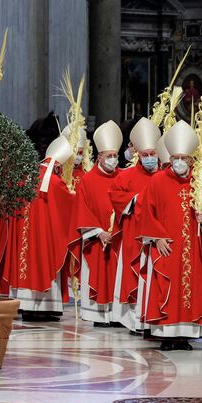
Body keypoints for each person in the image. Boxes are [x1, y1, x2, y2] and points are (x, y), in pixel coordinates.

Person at [136, 121, 202, 351]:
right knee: (167, 287)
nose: (180, 163)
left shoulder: (200, 183)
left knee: (190, 289)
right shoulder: (157, 181)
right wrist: (157, 237)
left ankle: (184, 336)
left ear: (191, 160)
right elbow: (145, 211)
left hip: (193, 247)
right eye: (176, 159)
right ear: (170, 159)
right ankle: (166, 334)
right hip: (167, 246)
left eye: (185, 158)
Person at [11, 135, 74, 321]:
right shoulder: (54, 182)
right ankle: (47, 307)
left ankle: (28, 306)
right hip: (46, 235)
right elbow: (70, 203)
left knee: (27, 262)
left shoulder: (25, 176)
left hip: (25, 233)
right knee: (46, 259)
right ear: (57, 166)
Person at [109, 117, 161, 332]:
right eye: (145, 155)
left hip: (159, 237)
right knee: (133, 276)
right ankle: (134, 321)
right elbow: (115, 196)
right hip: (134, 235)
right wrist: (137, 200)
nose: (149, 158)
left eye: (152, 154)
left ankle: (155, 316)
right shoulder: (126, 176)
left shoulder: (165, 175)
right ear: (139, 155)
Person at [69, 120, 123, 327]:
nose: (113, 160)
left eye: (114, 156)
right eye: (108, 156)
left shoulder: (123, 177)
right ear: (99, 157)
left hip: (118, 239)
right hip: (96, 239)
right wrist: (99, 232)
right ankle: (98, 315)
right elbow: (82, 210)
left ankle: (118, 314)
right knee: (99, 274)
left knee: (117, 277)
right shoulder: (88, 180)